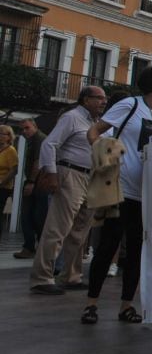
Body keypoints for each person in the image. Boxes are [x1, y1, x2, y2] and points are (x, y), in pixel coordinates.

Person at [82, 66, 152, 325]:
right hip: (119, 188)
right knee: (108, 244)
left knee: (135, 251)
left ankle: (126, 306)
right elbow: (94, 132)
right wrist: (106, 159)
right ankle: (91, 304)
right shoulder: (130, 106)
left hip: (146, 194)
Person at [29, 86, 107, 295]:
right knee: (58, 228)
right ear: (85, 100)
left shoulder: (97, 124)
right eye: (98, 98)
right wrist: (52, 173)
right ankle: (42, 277)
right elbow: (49, 144)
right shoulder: (71, 117)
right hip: (70, 173)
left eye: (104, 98)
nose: (103, 101)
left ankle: (71, 276)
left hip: (91, 176)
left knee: (80, 231)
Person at [14, 118, 48, 259]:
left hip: (38, 183)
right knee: (32, 215)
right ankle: (33, 247)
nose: (24, 132)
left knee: (32, 216)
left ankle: (31, 247)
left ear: (34, 126)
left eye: (27, 128)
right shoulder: (34, 140)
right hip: (37, 182)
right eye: (22, 129)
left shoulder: (39, 139)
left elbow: (38, 161)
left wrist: (31, 182)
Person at [0, 125, 19, 241]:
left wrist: (2, 181)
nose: (0, 136)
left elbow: (14, 169)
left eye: (2, 134)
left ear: (9, 137)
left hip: (3, 187)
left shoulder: (11, 151)